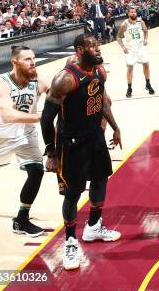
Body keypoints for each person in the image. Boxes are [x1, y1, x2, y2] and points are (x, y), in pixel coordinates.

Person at [41, 34, 122, 271]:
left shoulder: (99, 70)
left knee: (100, 179)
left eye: (98, 45)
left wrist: (115, 127)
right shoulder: (65, 79)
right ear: (79, 49)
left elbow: (103, 101)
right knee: (73, 193)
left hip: (94, 135)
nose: (98, 49)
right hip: (71, 143)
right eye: (92, 46)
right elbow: (47, 119)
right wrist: (51, 153)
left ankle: (94, 227)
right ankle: (70, 241)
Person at [0, 46, 49, 236]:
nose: (33, 62)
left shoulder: (38, 78)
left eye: (33, 58)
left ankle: (21, 220)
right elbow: (9, 116)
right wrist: (42, 116)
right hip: (0, 135)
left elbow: (55, 93)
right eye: (27, 59)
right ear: (15, 62)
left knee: (36, 171)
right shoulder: (1, 82)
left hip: (26, 133)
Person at [116, 6, 155, 98]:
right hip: (130, 49)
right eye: (131, 12)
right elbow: (118, 37)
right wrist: (123, 47)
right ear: (128, 13)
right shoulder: (124, 25)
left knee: (146, 64)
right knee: (130, 68)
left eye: (134, 12)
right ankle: (129, 88)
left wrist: (145, 39)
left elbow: (145, 31)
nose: (133, 13)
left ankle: (148, 84)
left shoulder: (141, 22)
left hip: (140, 47)